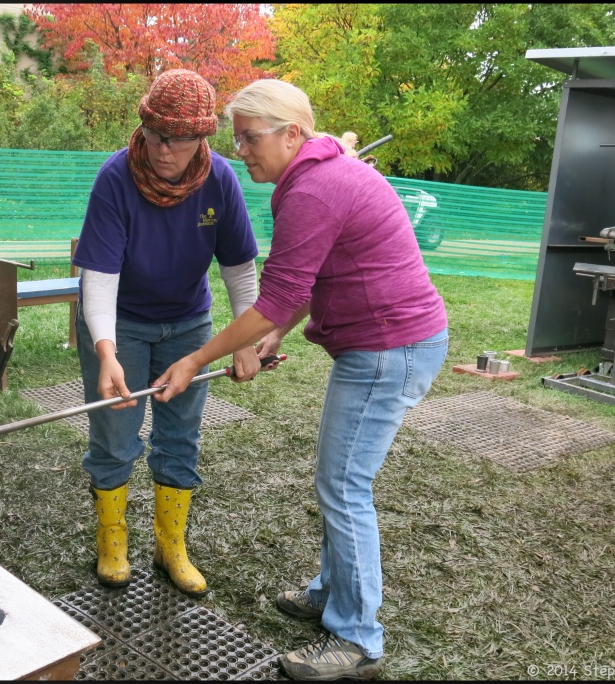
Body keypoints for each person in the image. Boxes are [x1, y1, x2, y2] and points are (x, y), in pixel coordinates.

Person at [153, 79, 449, 680]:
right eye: (235, 138)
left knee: (344, 487)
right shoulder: (318, 173)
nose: (241, 150)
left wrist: (193, 360)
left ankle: (357, 637)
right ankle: (332, 591)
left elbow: (276, 296)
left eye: (250, 137)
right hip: (391, 342)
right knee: (339, 479)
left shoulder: (313, 188)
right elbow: (310, 281)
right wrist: (275, 335)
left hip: (389, 348)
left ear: (293, 135)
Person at [72, 68, 260, 598]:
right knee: (114, 436)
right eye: (154, 136)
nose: (162, 150)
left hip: (187, 322)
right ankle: (113, 540)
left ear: (202, 138)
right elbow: (100, 279)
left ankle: (170, 544)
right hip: (120, 324)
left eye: (177, 141)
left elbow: (240, 270)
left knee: (180, 436)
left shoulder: (220, 178)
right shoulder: (115, 178)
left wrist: (243, 340)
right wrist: (107, 354)